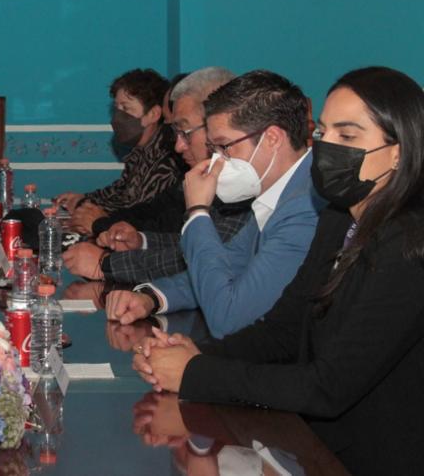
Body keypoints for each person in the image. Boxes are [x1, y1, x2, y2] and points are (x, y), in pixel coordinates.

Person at [133, 67, 424, 474]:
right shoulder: (338, 219)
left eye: (348, 136)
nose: (327, 147)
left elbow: (328, 386)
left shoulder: (409, 245)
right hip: (311, 447)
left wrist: (196, 373)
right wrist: (194, 353)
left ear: (399, 151)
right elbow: (284, 328)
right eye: (324, 131)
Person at [105, 70, 324, 338]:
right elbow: (226, 265)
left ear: (272, 139)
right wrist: (152, 297)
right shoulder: (278, 195)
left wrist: (197, 212)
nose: (217, 160)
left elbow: (227, 319)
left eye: (224, 147)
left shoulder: (306, 209)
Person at [65, 67, 252, 284]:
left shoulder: (239, 187)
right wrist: (140, 241)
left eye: (184, 132)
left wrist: (105, 263)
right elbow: (184, 241)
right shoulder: (204, 171)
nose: (178, 146)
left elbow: (204, 259)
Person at [56, 69, 184, 235]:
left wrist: (91, 213)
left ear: (153, 114)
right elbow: (119, 192)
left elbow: (139, 211)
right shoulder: (139, 153)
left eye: (126, 108)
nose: (118, 116)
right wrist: (84, 200)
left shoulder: (167, 159)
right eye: (116, 108)